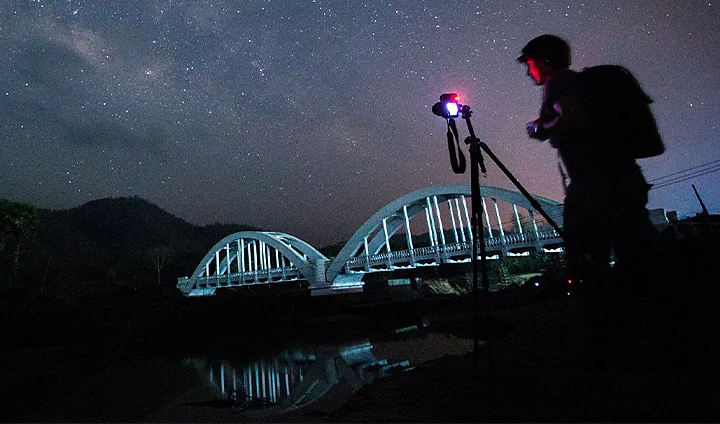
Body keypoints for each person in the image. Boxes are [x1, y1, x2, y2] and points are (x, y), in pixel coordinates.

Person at [518, 34, 660, 296]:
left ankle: (604, 319)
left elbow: (574, 119)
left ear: (546, 59)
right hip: (624, 176)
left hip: (595, 185)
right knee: (637, 251)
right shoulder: (579, 84)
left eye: (531, 63)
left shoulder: (559, 82)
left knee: (586, 258)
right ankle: (652, 313)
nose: (528, 71)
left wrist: (541, 127)